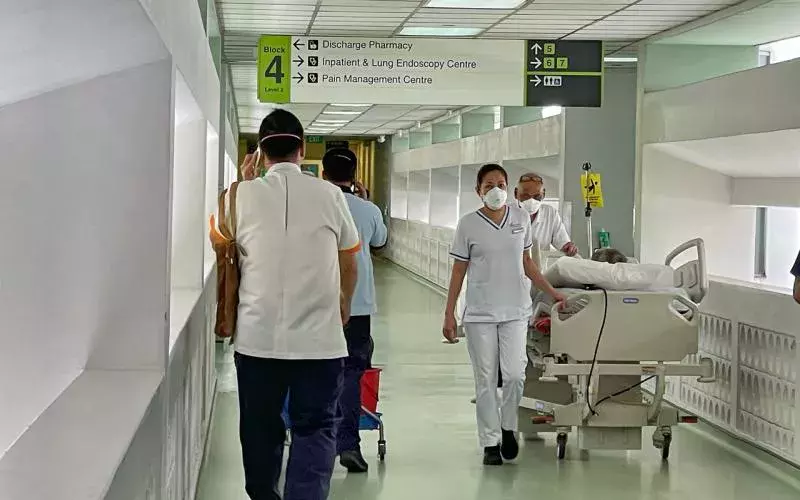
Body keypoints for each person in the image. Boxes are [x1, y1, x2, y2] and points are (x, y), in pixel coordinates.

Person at [229, 109, 360, 500]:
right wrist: (344, 301)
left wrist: (245, 182)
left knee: (259, 426)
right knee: (316, 428)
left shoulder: (240, 195)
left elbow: (224, 242)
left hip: (257, 339)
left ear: (259, 152)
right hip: (319, 342)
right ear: (302, 149)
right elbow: (349, 258)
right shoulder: (330, 194)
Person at [442, 164, 566, 466]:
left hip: (515, 310)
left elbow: (527, 263)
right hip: (480, 313)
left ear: (508, 189)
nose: (495, 190)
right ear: (478, 191)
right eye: (488, 185)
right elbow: (459, 270)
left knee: (514, 376)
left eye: (500, 184)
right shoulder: (468, 224)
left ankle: (508, 426)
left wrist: (553, 293)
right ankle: (489, 441)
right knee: (485, 380)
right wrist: (449, 313)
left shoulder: (520, 219)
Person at [322, 148, 388, 473]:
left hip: (319, 303)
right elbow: (379, 241)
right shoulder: (367, 209)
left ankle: (318, 443)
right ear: (355, 176)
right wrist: (366, 202)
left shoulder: (316, 206)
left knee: (318, 370)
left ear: (323, 174)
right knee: (351, 372)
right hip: (358, 306)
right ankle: (348, 444)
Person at [514, 172, 578, 256]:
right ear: (516, 193)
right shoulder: (505, 213)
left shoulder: (550, 213)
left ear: (543, 194)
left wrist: (569, 247)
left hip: (540, 263)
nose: (531, 201)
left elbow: (563, 243)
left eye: (537, 197)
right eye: (525, 196)